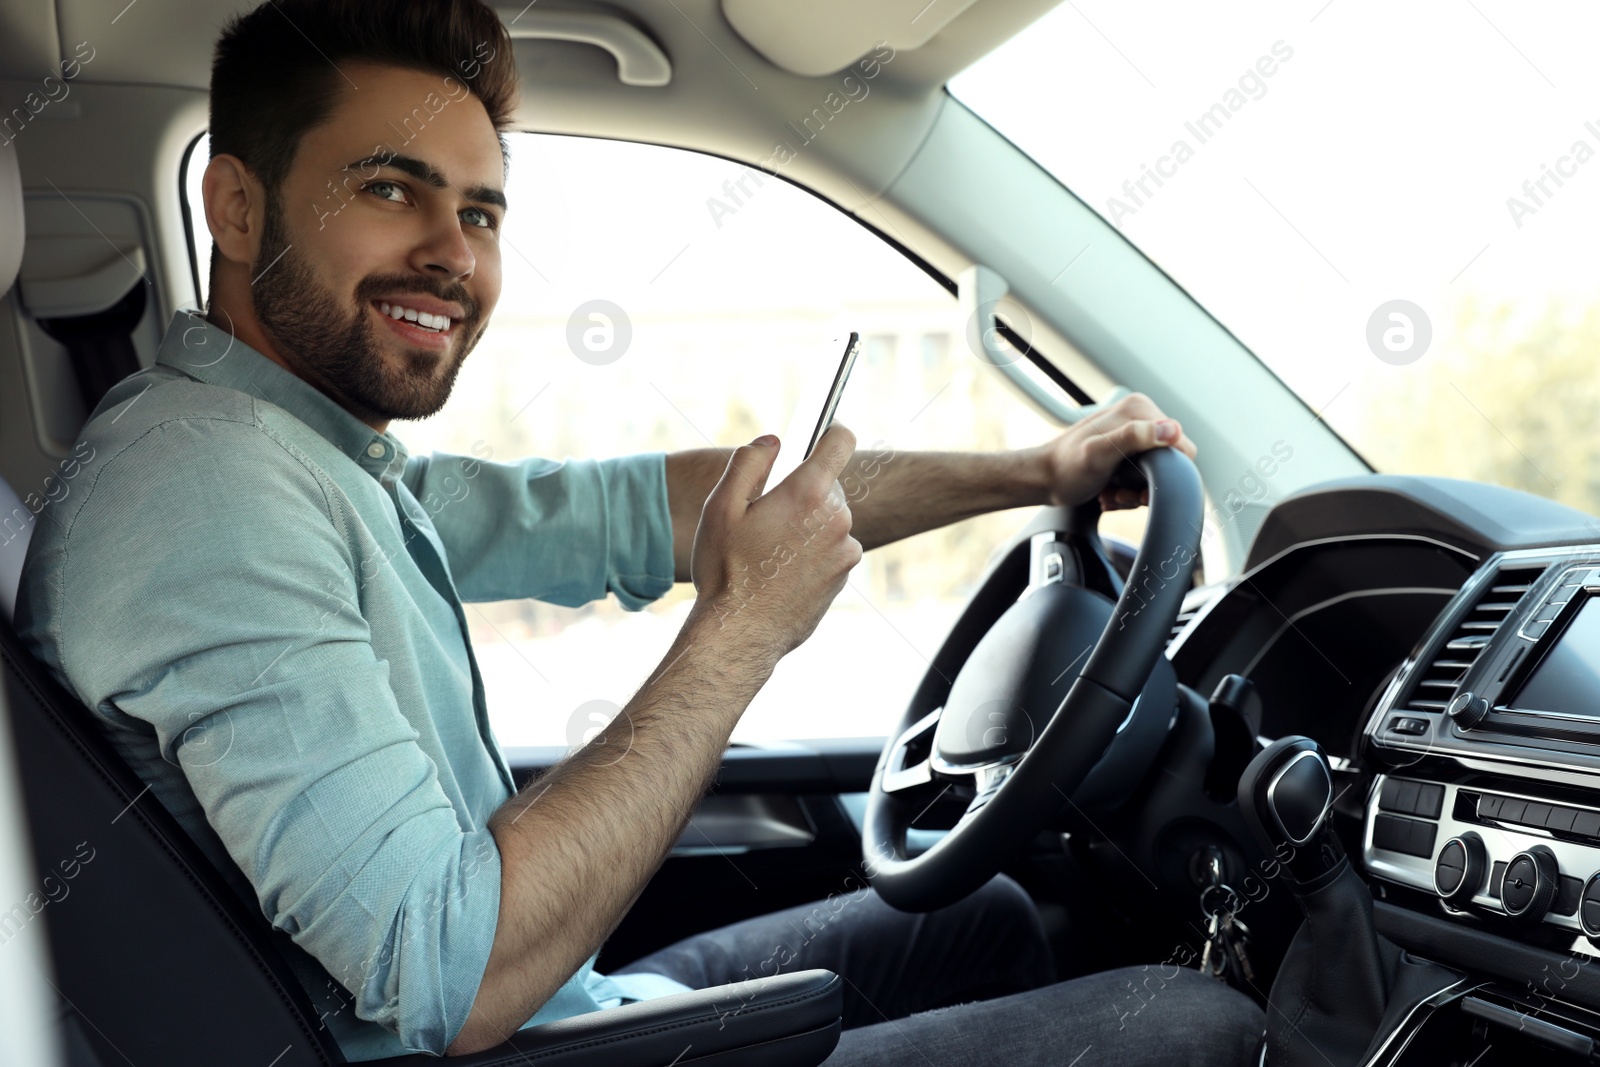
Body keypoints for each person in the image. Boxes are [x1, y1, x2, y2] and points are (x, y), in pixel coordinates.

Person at [14, 0, 1263, 1062]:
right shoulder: (209, 492)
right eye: (390, 187)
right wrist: (744, 628)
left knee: (980, 909)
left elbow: (635, 509)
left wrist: (1035, 467)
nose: (453, 255)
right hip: (522, 1031)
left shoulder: (304, 453)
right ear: (236, 209)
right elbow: (451, 973)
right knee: (1199, 1023)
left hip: (576, 1008)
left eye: (484, 213)